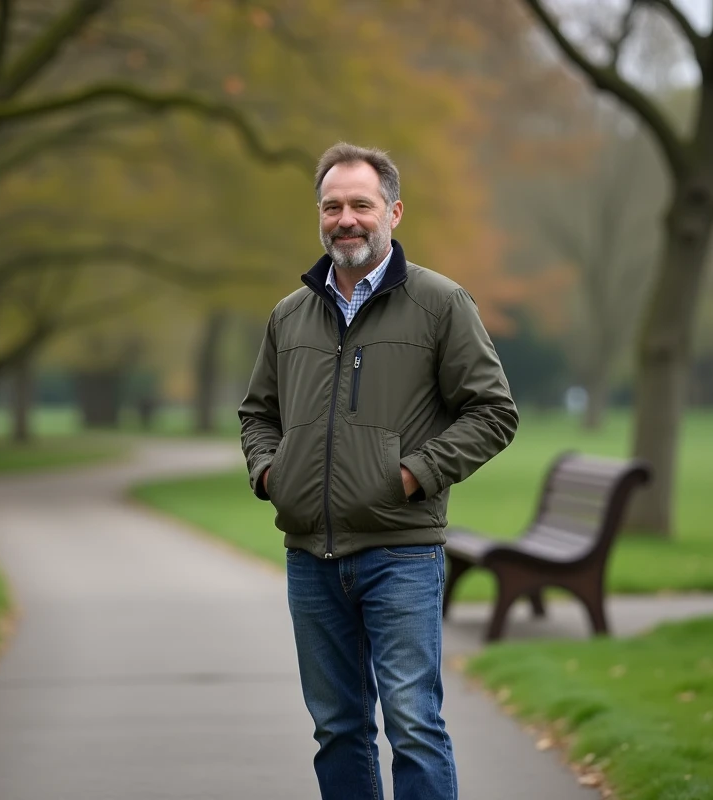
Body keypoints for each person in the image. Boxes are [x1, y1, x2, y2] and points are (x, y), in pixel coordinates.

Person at [237, 142, 519, 800]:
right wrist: (272, 474)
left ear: (392, 210)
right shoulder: (289, 315)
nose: (346, 219)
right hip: (311, 557)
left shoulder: (441, 305)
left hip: (402, 554)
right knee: (337, 728)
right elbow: (257, 413)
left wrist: (412, 475)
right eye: (331, 206)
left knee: (414, 725)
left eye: (360, 204)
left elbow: (493, 411)